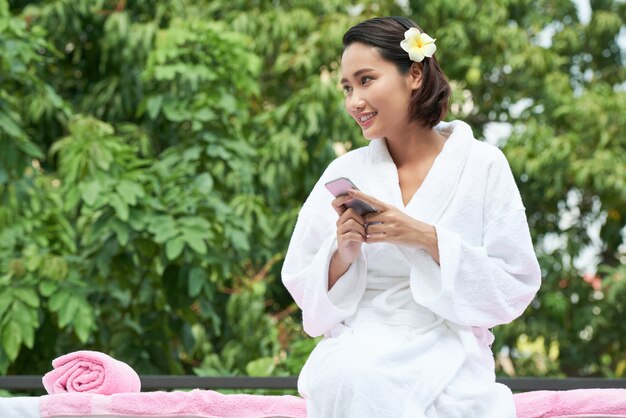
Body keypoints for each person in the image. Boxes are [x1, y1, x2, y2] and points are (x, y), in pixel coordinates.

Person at [281, 16, 541, 418]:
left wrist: (427, 238)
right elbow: (303, 287)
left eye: (366, 80)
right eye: (347, 88)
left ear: (414, 74)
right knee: (352, 375)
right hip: (360, 345)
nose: (354, 101)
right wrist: (343, 253)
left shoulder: (483, 164)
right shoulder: (341, 173)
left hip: (449, 348)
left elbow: (514, 283)